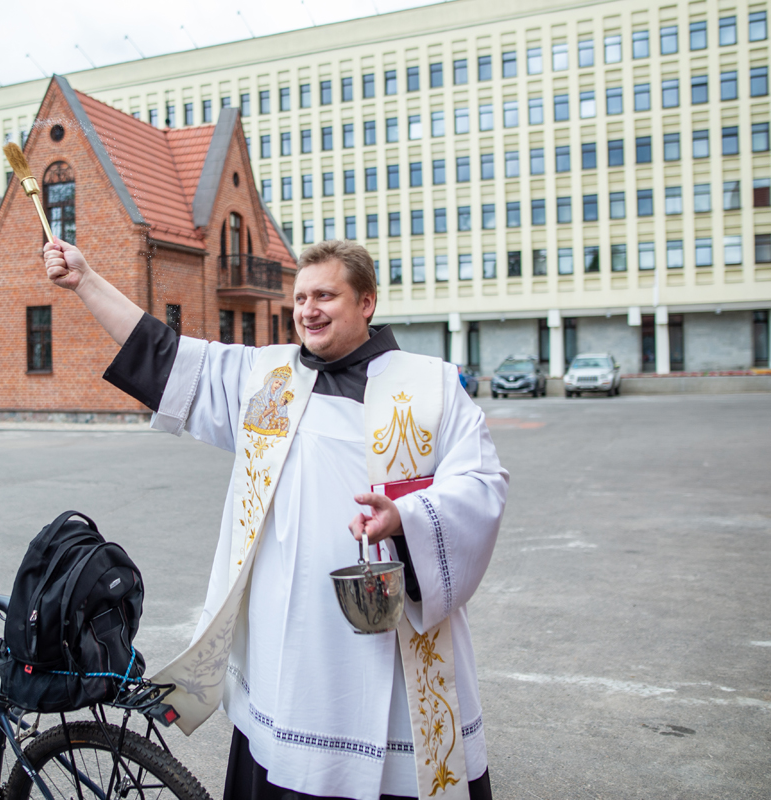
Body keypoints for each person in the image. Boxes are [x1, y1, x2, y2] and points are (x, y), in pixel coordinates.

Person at [44, 237, 508, 800]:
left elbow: (481, 485)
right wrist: (86, 280)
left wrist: (407, 518)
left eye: (326, 296)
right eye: (301, 297)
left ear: (367, 302)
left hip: (391, 641)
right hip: (293, 643)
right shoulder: (266, 377)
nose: (308, 310)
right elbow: (162, 354)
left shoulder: (430, 385)